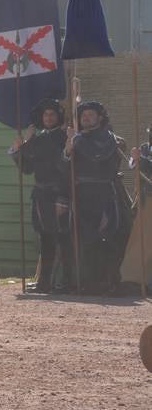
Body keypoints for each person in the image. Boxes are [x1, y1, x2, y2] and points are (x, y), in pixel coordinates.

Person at [9, 99, 74, 293]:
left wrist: (63, 199)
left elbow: (66, 171)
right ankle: (44, 282)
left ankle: (67, 282)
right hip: (40, 194)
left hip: (58, 195)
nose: (48, 117)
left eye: (52, 114)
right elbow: (27, 168)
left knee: (63, 240)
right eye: (46, 115)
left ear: (58, 117)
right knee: (45, 240)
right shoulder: (37, 139)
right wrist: (21, 147)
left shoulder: (65, 138)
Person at [67, 101, 131, 294]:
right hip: (82, 194)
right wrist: (68, 148)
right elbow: (64, 167)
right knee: (84, 239)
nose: (86, 118)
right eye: (83, 115)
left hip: (104, 194)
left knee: (107, 237)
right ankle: (87, 282)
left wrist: (77, 141)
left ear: (99, 118)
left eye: (90, 115)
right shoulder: (75, 139)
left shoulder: (109, 138)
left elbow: (98, 155)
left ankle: (110, 282)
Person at [120, 127, 152, 291]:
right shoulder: (145, 148)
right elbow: (133, 165)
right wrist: (136, 158)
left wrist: (144, 161)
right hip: (145, 200)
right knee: (140, 242)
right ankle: (135, 280)